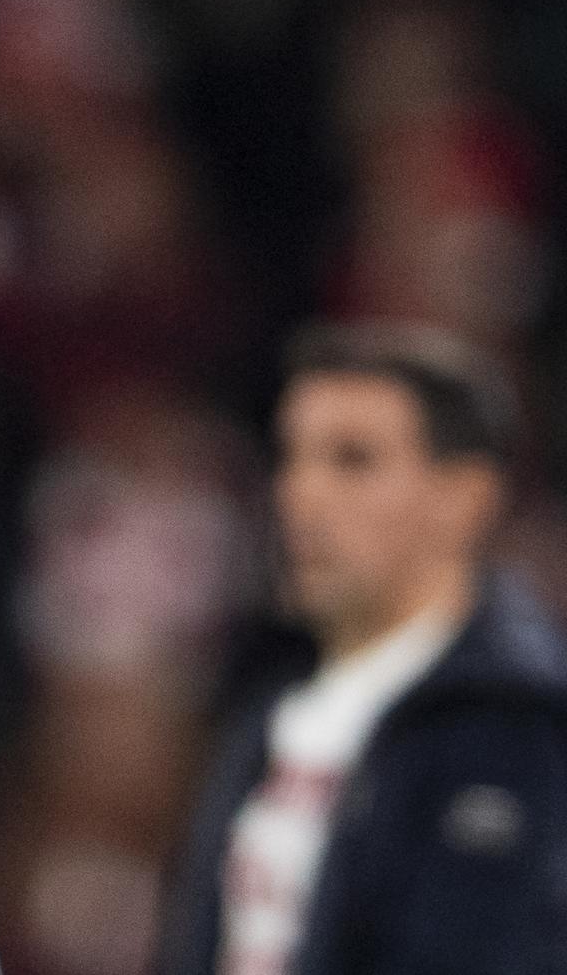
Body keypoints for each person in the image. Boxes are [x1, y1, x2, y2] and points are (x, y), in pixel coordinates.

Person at [156, 324, 567, 975]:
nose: (299, 495)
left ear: (466, 498)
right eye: (291, 456)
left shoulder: (524, 728)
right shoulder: (262, 724)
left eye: (352, 459)